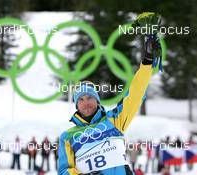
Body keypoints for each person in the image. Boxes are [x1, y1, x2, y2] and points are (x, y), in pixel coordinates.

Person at [58, 35, 161, 174]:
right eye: (80, 100)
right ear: (76, 105)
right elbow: (64, 171)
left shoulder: (114, 120)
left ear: (97, 100)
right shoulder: (67, 137)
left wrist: (147, 61)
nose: (86, 103)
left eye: (89, 97)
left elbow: (135, 95)